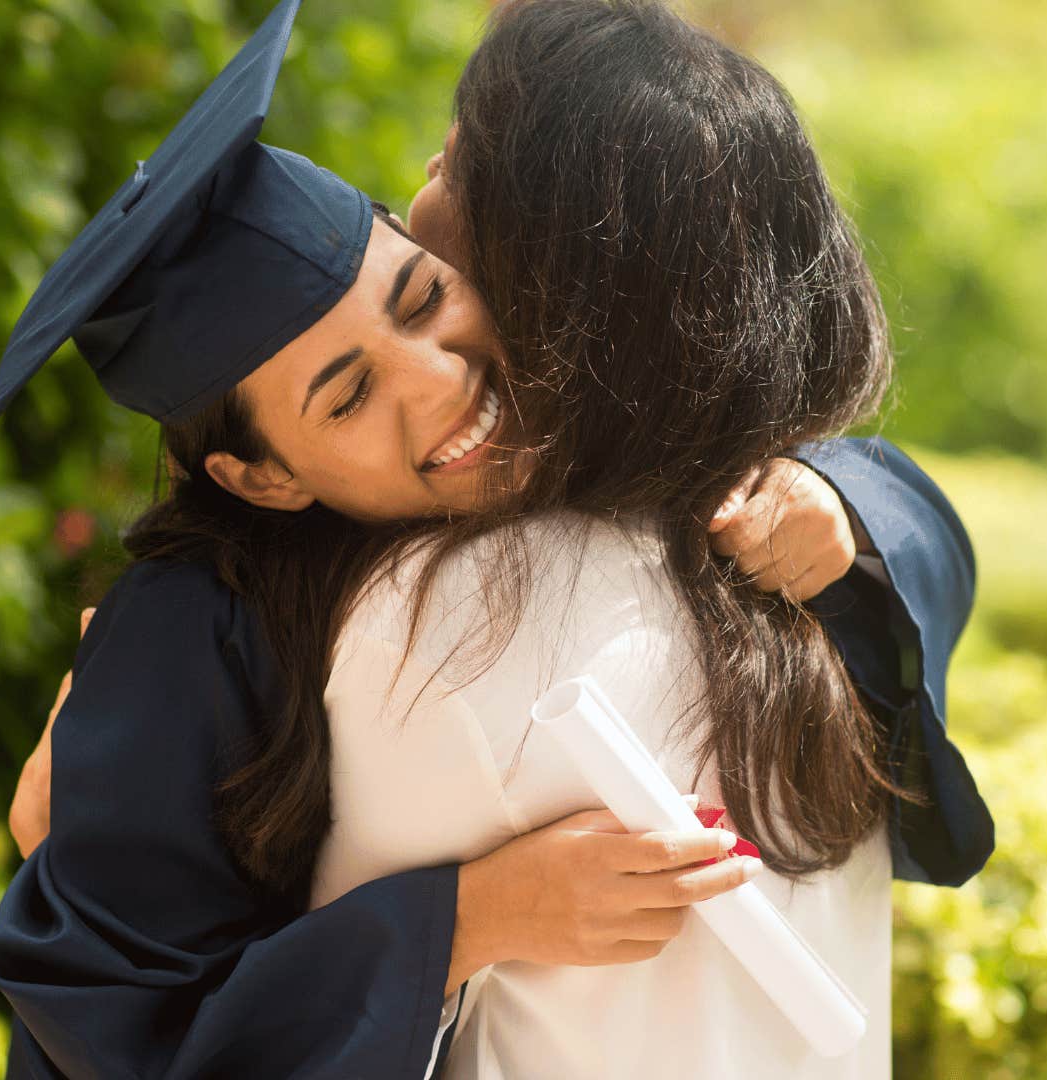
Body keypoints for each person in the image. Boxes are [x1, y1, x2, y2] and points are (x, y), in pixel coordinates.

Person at [0, 2, 986, 1076]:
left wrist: (835, 505)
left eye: (421, 297)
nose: (441, 381)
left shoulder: (594, 456)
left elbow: (882, 493)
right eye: (349, 396)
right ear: (259, 476)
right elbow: (125, 1034)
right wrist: (458, 923)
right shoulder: (191, 632)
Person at [312, 2, 949, 1074]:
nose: (423, 171)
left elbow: (285, 1013)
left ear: (545, 273)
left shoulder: (452, 620)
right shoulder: (816, 578)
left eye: (459, 160)